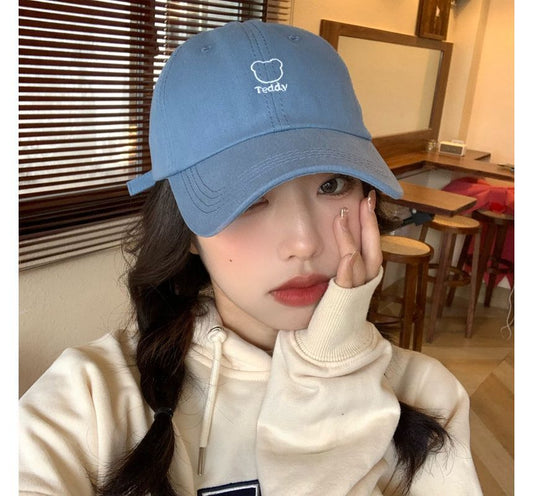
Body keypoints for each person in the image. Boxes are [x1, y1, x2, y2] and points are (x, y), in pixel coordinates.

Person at [19, 20, 482, 496]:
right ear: (186, 229)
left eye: (331, 184)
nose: (304, 242)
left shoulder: (427, 396)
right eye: (248, 199)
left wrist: (333, 374)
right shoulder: (89, 400)